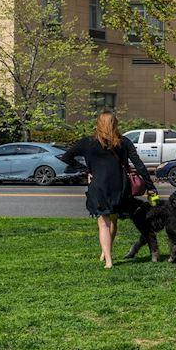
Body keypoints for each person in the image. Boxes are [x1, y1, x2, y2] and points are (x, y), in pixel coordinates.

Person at [63, 111, 156, 269]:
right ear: (115, 124)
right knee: (113, 219)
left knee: (103, 223)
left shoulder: (87, 142)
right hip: (120, 186)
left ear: (98, 124)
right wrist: (150, 186)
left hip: (98, 185)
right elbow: (139, 165)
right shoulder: (124, 142)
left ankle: (108, 260)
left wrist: (86, 170)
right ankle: (105, 252)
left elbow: (66, 157)